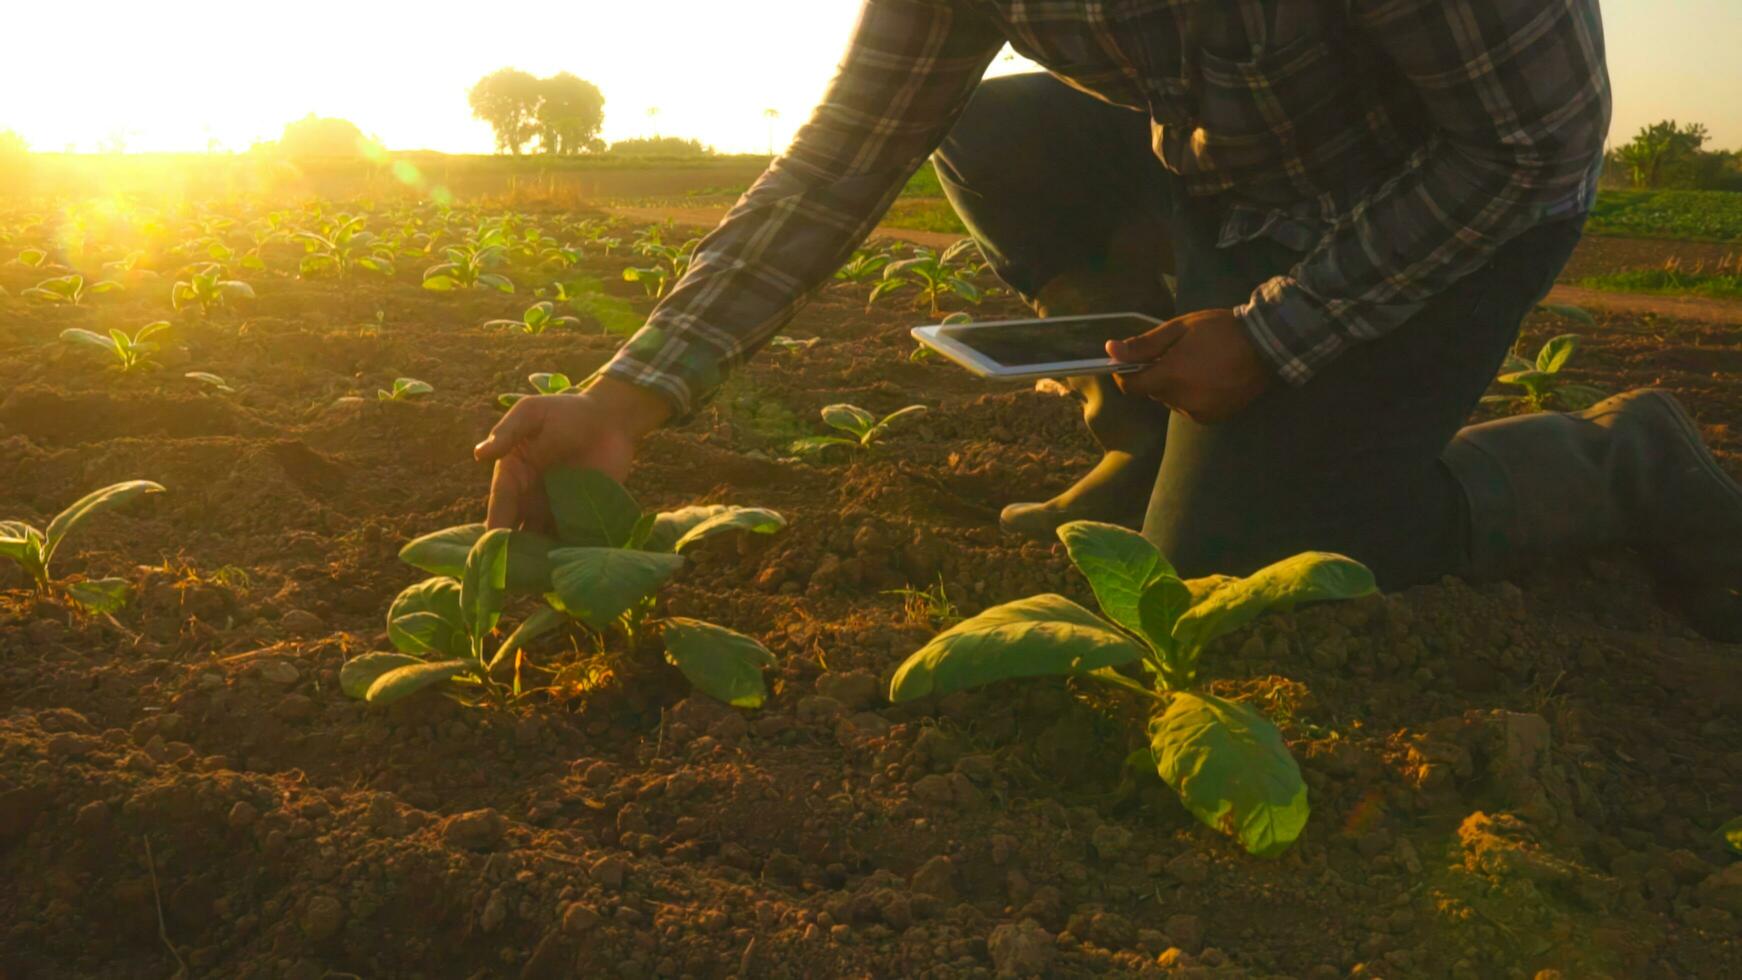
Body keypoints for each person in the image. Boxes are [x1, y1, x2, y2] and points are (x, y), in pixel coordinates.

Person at [476, 0, 1742, 642]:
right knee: (988, 126)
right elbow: (838, 162)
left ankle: (1619, 459)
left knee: (1235, 567)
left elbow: (1531, 144)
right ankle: (1143, 440)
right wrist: (621, 396)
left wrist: (1271, 336)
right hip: (1237, 181)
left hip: (1454, 193)